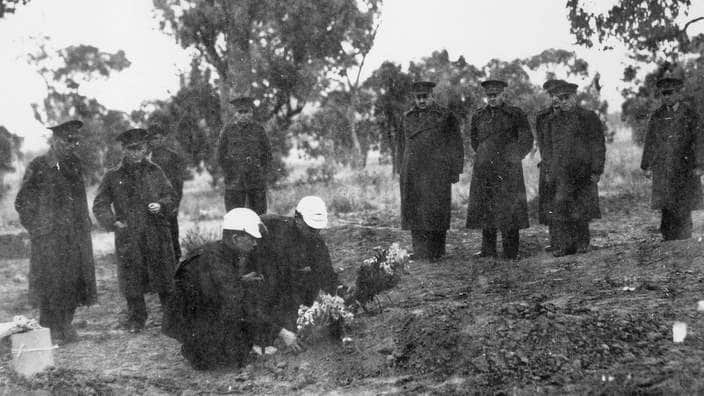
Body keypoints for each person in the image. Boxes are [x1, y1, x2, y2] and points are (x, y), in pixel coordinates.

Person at [163, 208, 301, 370]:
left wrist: (240, 280)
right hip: (192, 324)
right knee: (233, 358)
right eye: (252, 239)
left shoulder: (222, 252)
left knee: (247, 296)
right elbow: (238, 302)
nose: (256, 244)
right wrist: (282, 332)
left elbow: (216, 288)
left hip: (201, 313)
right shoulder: (216, 260)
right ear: (236, 238)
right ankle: (197, 351)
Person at [15, 120, 97, 344]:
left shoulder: (74, 165)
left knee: (73, 281)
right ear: (55, 141)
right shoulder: (39, 165)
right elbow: (22, 201)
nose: (73, 145)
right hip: (49, 239)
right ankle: (50, 328)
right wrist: (37, 228)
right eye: (69, 141)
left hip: (75, 236)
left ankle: (66, 324)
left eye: (76, 141)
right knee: (51, 283)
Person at [93, 128, 177, 333]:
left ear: (146, 148)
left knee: (164, 276)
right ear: (123, 150)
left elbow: (171, 196)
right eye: (130, 149)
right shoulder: (113, 176)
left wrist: (161, 205)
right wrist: (113, 223)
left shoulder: (155, 171)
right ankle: (136, 319)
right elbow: (100, 204)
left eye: (139, 149)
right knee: (132, 278)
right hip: (129, 234)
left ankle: (172, 318)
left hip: (155, 231)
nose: (135, 153)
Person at [466, 80, 533, 260]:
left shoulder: (515, 114)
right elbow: (474, 140)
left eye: (495, 95)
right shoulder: (479, 116)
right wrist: (483, 155)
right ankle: (488, 249)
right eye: (489, 95)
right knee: (486, 209)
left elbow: (526, 138)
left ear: (503, 94)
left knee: (509, 210)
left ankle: (511, 251)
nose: (492, 98)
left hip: (508, 170)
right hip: (485, 169)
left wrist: (514, 156)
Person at [254, 196, 339, 336]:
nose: (315, 232)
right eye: (311, 228)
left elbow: (326, 274)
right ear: (297, 218)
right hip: (263, 282)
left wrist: (336, 297)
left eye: (318, 228)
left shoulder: (317, 243)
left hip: (288, 288)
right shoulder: (271, 225)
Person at [398, 81, 464, 261]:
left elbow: (456, 144)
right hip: (412, 171)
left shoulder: (444, 115)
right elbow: (401, 145)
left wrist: (455, 169)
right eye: (418, 98)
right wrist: (401, 170)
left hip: (437, 171)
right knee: (415, 211)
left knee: (436, 210)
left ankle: (437, 250)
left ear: (432, 96)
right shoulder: (407, 117)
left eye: (424, 97)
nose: (421, 101)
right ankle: (419, 250)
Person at [543, 82, 605, 257]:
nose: (563, 102)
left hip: (583, 172)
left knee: (581, 209)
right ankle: (564, 245)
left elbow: (598, 145)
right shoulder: (552, 121)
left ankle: (582, 243)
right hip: (561, 172)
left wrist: (596, 170)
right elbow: (548, 149)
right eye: (560, 99)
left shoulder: (588, 117)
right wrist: (549, 171)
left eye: (567, 98)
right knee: (561, 207)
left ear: (574, 97)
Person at [641, 76, 704, 240]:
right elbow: (650, 141)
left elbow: (699, 140)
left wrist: (700, 164)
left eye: (669, 93)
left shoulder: (690, 115)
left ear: (678, 93)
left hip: (685, 168)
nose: (666, 97)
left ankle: (683, 240)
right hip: (663, 168)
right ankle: (668, 238)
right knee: (666, 204)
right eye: (663, 94)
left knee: (683, 204)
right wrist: (646, 165)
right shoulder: (657, 116)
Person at [217, 96, 272, 214]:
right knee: (234, 217)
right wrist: (230, 171)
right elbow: (220, 156)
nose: (243, 115)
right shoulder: (228, 130)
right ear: (235, 114)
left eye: (246, 112)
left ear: (251, 113)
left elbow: (267, 154)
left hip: (255, 182)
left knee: (259, 217)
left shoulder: (259, 130)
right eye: (240, 112)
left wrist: (261, 173)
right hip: (234, 183)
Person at [147, 124, 186, 260]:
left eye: (157, 138)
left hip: (169, 202)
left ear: (163, 138)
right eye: (151, 139)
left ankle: (175, 265)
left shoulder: (172, 156)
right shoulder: (147, 158)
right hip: (152, 202)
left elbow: (178, 183)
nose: (154, 141)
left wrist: (175, 205)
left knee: (172, 235)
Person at [536, 79, 565, 252]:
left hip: (568, 166)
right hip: (548, 164)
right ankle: (555, 241)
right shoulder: (542, 117)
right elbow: (542, 142)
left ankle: (573, 242)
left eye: (558, 95)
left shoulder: (570, 115)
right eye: (551, 95)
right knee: (551, 204)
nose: (555, 99)